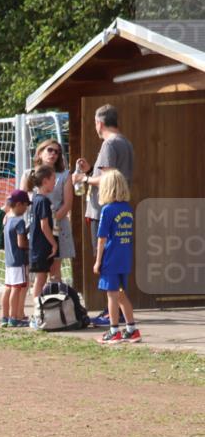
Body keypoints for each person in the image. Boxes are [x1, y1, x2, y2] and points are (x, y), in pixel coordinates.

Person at [71, 104, 134, 326]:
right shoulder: (125, 142)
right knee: (115, 261)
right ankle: (120, 315)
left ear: (99, 123)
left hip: (102, 210)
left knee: (105, 262)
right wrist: (90, 170)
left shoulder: (109, 143)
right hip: (119, 206)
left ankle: (112, 313)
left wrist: (84, 179)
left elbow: (107, 178)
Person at [94, 171, 139, 344]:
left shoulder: (108, 210)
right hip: (124, 258)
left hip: (110, 258)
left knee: (112, 296)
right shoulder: (127, 208)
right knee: (120, 294)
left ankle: (114, 331)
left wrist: (98, 261)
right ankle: (131, 329)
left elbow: (102, 238)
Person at [31, 139, 74, 283]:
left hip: (58, 227)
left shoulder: (64, 175)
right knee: (40, 273)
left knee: (55, 271)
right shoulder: (29, 174)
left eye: (57, 152)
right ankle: (38, 303)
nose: (54, 154)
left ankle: (55, 304)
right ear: (40, 152)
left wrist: (50, 223)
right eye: (50, 150)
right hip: (37, 227)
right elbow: (20, 199)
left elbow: (67, 204)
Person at [27, 166, 58, 327]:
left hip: (37, 246)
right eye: (53, 179)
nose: (55, 182)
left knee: (44, 277)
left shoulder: (36, 199)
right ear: (45, 181)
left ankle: (41, 311)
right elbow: (44, 225)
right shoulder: (43, 200)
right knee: (40, 279)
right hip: (41, 246)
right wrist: (53, 243)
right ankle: (37, 314)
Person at [1, 190, 30, 327]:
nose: (26, 209)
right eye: (25, 205)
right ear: (19, 204)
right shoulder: (19, 221)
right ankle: (15, 318)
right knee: (16, 288)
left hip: (8, 260)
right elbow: (20, 243)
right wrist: (28, 243)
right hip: (19, 260)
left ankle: (5, 316)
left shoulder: (6, 219)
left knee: (8, 288)